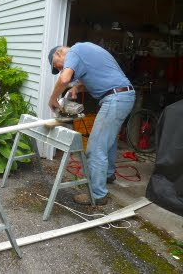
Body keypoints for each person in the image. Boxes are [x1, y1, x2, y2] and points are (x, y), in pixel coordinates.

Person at [48, 42, 135, 205]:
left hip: (115, 98)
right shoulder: (86, 50)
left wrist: (53, 99)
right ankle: (108, 175)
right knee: (108, 141)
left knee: (95, 148)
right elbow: (101, 76)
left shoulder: (74, 51)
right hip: (124, 95)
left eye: (57, 66)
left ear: (59, 54)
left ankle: (97, 194)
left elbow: (64, 79)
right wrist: (77, 88)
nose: (60, 69)